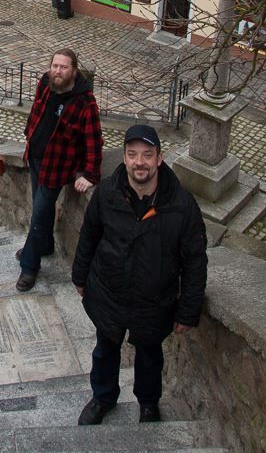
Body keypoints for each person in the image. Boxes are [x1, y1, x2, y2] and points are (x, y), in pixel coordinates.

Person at [72, 123, 207, 425]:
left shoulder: (181, 206)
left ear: (160, 158)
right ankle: (102, 397)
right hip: (109, 292)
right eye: (132, 154)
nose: (139, 162)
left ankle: (148, 403)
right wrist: (80, 277)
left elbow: (195, 262)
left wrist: (188, 311)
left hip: (153, 301)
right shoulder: (107, 193)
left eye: (147, 155)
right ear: (124, 158)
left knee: (149, 356)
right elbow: (89, 236)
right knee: (105, 349)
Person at [16, 47, 102, 291]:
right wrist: (28, 135)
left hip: (56, 168)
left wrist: (90, 174)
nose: (57, 71)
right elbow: (36, 110)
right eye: (55, 65)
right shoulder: (46, 83)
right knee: (40, 209)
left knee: (39, 214)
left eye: (63, 67)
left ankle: (29, 266)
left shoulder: (85, 102)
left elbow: (93, 141)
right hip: (34, 158)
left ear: (73, 70)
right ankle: (44, 246)